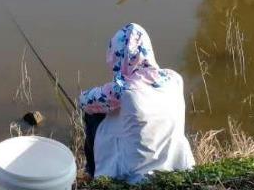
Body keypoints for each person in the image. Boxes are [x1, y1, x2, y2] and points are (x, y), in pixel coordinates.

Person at [79, 23, 195, 184]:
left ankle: (93, 172)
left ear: (117, 55)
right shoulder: (174, 78)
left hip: (135, 172)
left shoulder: (122, 90)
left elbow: (84, 101)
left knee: (93, 113)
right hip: (176, 161)